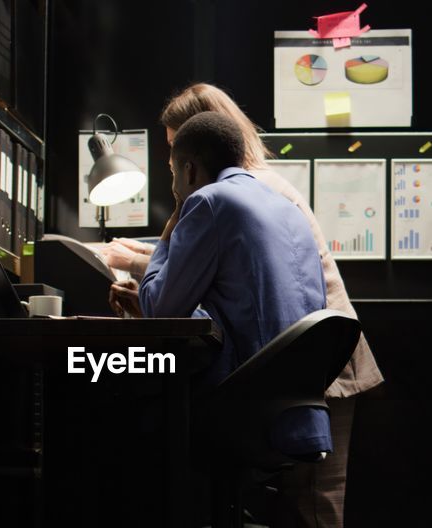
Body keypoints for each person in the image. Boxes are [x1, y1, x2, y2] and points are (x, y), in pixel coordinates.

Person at [106, 84, 383, 528]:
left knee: (313, 504)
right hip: (304, 351)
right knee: (300, 501)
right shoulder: (261, 189)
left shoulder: (230, 195)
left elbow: (185, 281)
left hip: (318, 362)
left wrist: (143, 265)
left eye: (176, 152)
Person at [109, 111, 331, 459]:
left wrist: (170, 225)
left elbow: (160, 309)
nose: (172, 187)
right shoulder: (289, 210)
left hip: (243, 406)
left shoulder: (208, 201)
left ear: (190, 170)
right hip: (299, 411)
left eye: (172, 173)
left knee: (97, 371)